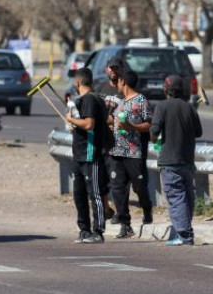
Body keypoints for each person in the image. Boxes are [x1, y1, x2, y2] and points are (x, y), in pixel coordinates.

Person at [150, 75, 203, 246]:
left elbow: (154, 132)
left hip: (169, 161)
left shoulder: (161, 106)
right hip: (187, 160)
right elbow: (198, 132)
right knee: (187, 198)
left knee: (176, 198)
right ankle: (186, 231)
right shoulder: (189, 108)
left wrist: (155, 138)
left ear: (165, 89)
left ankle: (184, 235)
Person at [64, 68, 109, 244]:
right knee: (79, 194)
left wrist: (72, 120)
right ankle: (84, 230)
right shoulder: (82, 101)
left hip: (91, 154)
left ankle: (98, 231)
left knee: (95, 194)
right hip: (79, 155)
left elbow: (89, 124)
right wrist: (74, 124)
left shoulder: (90, 99)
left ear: (78, 83)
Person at [109, 69, 154, 239]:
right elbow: (115, 123)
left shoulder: (141, 101)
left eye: (119, 82)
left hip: (134, 152)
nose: (117, 85)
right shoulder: (120, 102)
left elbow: (149, 124)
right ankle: (125, 224)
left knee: (139, 186)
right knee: (118, 188)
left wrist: (132, 127)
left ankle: (147, 209)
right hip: (117, 151)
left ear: (124, 83)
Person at [95, 56, 126, 223]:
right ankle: (106, 210)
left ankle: (120, 213)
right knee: (100, 179)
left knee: (116, 179)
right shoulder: (100, 88)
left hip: (118, 140)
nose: (113, 71)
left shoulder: (124, 89)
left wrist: (111, 121)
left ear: (121, 69)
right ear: (106, 69)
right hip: (101, 140)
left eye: (116, 68)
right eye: (111, 68)